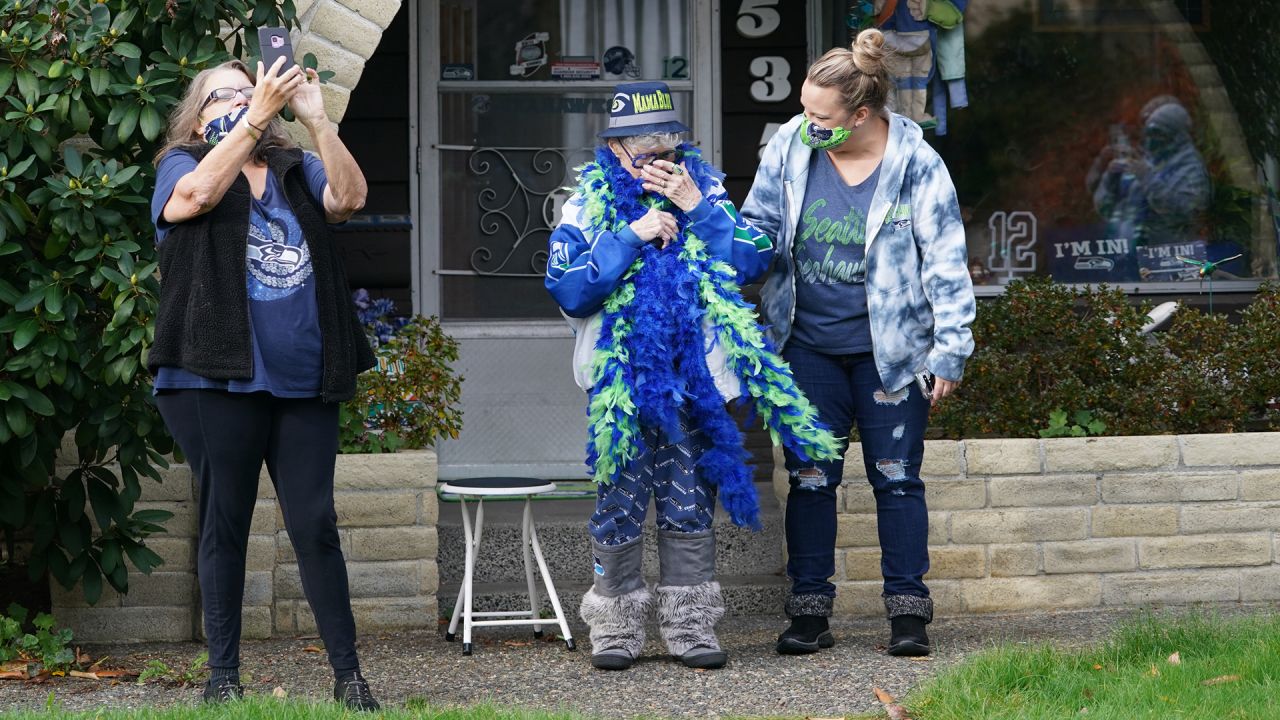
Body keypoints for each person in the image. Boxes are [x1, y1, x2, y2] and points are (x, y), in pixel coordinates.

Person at [545, 82, 841, 672]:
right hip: (623, 387)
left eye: (670, 149)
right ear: (616, 149)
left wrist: (695, 208)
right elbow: (570, 290)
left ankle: (689, 627)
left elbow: (756, 259)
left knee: (688, 504)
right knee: (619, 504)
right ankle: (615, 629)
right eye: (647, 152)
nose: (661, 163)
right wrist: (632, 234)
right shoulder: (584, 206)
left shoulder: (704, 191)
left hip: (699, 384)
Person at [148, 57, 379, 709]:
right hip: (215, 378)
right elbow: (190, 201)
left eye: (255, 91)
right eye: (231, 93)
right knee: (226, 521)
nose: (252, 98)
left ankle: (349, 676)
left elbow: (349, 198)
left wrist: (318, 123)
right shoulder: (183, 162)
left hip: (304, 377)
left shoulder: (291, 167)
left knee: (314, 524)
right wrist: (248, 121)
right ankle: (222, 677)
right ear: (199, 114)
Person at [741, 29, 976, 657]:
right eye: (804, 109)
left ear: (862, 114)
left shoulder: (917, 163)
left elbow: (946, 260)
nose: (805, 123)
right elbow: (757, 227)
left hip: (891, 353)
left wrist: (950, 348)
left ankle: (907, 616)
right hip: (806, 347)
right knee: (810, 478)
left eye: (820, 115)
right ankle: (809, 615)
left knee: (896, 479)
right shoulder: (792, 146)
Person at [1088, 98, 1212, 265]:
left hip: (1167, 262)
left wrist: (1147, 178)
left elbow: (1188, 211)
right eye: (1149, 133)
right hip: (1124, 259)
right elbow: (1105, 209)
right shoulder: (1144, 162)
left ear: (1175, 134)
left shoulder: (1190, 168)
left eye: (1158, 133)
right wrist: (1111, 178)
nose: (1151, 139)